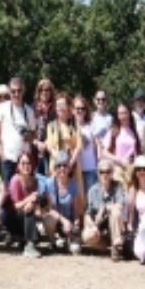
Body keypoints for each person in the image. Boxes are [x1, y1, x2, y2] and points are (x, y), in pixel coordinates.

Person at [46, 93, 84, 222]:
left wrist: (70, 162)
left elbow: (78, 145)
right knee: (55, 192)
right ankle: (57, 222)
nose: (61, 108)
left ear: (68, 107)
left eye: (63, 105)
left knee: (74, 193)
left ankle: (76, 221)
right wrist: (60, 161)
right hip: (56, 165)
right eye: (58, 105)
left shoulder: (74, 126)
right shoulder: (51, 126)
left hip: (72, 165)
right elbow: (49, 146)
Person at [82, 159, 128, 261]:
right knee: (87, 236)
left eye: (108, 172)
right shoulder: (92, 190)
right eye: (102, 172)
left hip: (114, 227)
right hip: (100, 228)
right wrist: (93, 225)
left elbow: (120, 206)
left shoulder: (118, 187)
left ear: (112, 173)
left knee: (115, 212)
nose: (105, 175)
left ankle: (116, 247)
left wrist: (104, 208)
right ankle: (105, 247)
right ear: (98, 174)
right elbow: (88, 213)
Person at [0, 76, 36, 183]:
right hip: (8, 158)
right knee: (8, 190)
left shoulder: (29, 111)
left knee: (24, 189)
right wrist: (1, 153)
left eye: (19, 91)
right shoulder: (3, 108)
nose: (16, 94)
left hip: (24, 160)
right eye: (13, 91)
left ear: (23, 91)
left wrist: (28, 136)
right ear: (9, 92)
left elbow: (33, 134)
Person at [6, 151, 49, 258]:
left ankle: (23, 239)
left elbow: (36, 201)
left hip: (26, 215)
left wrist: (34, 203)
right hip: (13, 217)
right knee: (28, 208)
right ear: (18, 166)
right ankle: (29, 246)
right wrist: (29, 200)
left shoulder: (35, 181)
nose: (26, 166)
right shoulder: (15, 180)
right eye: (23, 163)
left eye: (28, 163)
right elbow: (15, 205)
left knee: (33, 205)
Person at [99, 102, 141, 185]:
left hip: (131, 169)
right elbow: (104, 152)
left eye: (125, 113)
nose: (123, 116)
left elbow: (136, 152)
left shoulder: (134, 131)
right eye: (120, 113)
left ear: (129, 113)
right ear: (117, 115)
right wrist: (120, 160)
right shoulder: (114, 131)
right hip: (117, 170)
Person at [44, 152, 78, 252]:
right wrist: (63, 220)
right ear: (55, 168)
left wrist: (75, 225)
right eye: (59, 165)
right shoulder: (49, 183)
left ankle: (67, 240)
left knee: (75, 250)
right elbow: (49, 209)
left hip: (69, 222)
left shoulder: (73, 185)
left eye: (65, 165)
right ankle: (52, 242)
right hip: (56, 220)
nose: (62, 168)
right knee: (48, 220)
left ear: (69, 168)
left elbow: (75, 210)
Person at [73, 95, 99, 195]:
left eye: (82, 108)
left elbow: (96, 148)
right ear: (73, 110)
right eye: (77, 108)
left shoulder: (91, 126)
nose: (80, 111)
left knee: (91, 199)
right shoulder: (69, 128)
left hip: (90, 169)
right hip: (75, 170)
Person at [32, 78, 56, 174]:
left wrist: (45, 144)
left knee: (49, 177)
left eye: (47, 90)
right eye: (41, 90)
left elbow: (56, 129)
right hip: (34, 149)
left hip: (50, 149)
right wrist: (37, 143)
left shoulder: (55, 109)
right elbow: (29, 129)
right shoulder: (32, 108)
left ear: (51, 92)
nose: (44, 92)